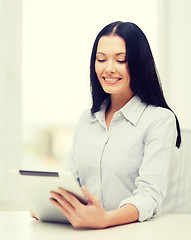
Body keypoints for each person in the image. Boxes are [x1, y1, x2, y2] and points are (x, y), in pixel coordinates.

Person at [48, 21, 181, 228]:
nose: (109, 68)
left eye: (121, 60)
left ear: (139, 64)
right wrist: (51, 205)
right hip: (85, 231)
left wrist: (105, 220)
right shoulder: (87, 119)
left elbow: (149, 195)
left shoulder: (159, 120)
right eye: (101, 59)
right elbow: (71, 182)